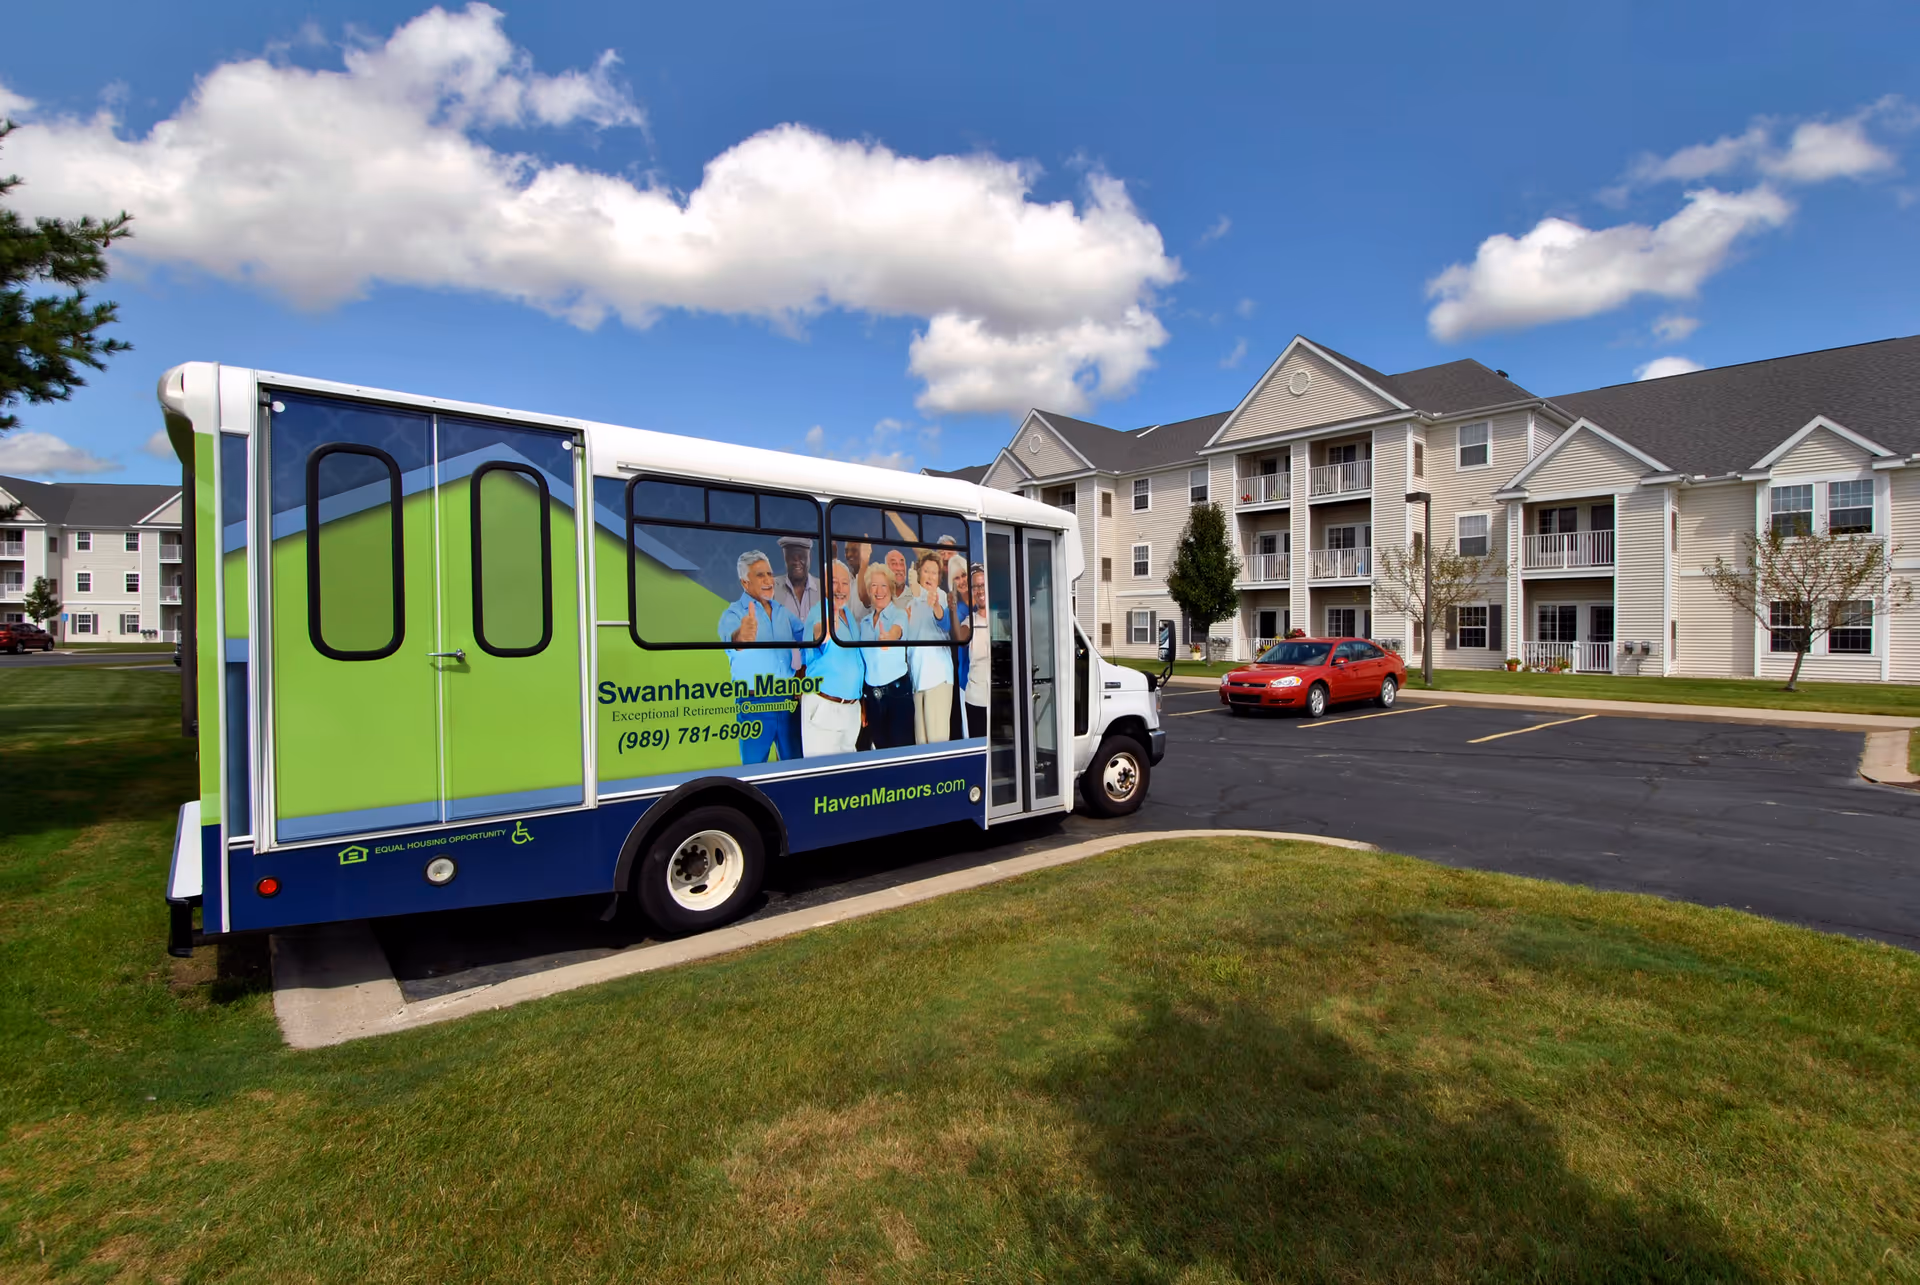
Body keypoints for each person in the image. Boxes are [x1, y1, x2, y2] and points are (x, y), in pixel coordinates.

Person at [717, 549, 805, 762]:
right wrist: (742, 636)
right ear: (744, 583)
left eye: (769, 574)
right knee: (755, 772)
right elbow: (733, 640)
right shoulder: (734, 613)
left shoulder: (783, 612)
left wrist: (801, 674)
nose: (768, 580)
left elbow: (809, 640)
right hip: (755, 702)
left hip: (788, 702)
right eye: (760, 575)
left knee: (794, 767)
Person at [798, 559, 864, 757]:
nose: (840, 588)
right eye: (834, 582)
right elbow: (820, 632)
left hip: (850, 709)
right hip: (825, 708)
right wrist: (825, 632)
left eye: (845, 583)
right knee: (823, 776)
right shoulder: (819, 612)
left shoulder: (848, 615)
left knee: (846, 776)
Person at [857, 562, 913, 749]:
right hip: (872, 698)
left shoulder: (899, 614)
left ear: (890, 588)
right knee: (880, 751)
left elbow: (897, 631)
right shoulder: (863, 623)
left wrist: (888, 637)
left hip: (897, 694)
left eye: (883, 585)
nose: (878, 591)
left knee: (900, 751)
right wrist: (862, 701)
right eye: (874, 585)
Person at [905, 554, 954, 744]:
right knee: (921, 743)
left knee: (937, 743)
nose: (930, 576)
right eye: (926, 571)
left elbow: (945, 623)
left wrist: (935, 607)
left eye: (934, 573)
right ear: (919, 573)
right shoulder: (911, 604)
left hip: (937, 679)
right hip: (918, 681)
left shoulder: (939, 596)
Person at [774, 535, 820, 671]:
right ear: (784, 558)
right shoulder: (772, 589)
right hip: (783, 673)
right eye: (791, 556)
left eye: (801, 556)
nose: (796, 561)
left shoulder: (824, 588)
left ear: (809, 557)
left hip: (817, 672)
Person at [963, 563, 989, 738]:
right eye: (975, 587)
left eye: (983, 585)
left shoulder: (1005, 617)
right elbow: (962, 635)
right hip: (976, 700)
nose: (979, 591)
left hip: (1002, 698)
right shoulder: (969, 621)